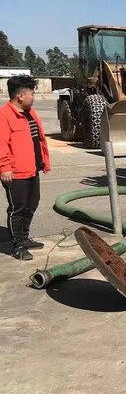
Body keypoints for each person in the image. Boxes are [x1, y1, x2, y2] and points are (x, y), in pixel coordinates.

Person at [0, 76, 50, 260]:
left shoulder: (30, 113)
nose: (34, 96)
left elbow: (37, 140)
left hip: (32, 169)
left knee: (31, 204)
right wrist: (4, 167)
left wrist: (43, 161)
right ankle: (17, 245)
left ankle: (25, 238)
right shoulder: (4, 115)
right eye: (31, 92)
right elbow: (1, 144)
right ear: (20, 96)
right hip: (15, 172)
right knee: (17, 208)